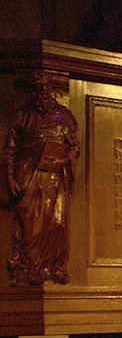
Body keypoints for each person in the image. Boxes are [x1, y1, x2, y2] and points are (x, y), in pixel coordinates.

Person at [2, 70, 80, 284]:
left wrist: (65, 159)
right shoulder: (22, 115)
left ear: (50, 90)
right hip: (29, 178)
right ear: (32, 93)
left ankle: (55, 268)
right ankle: (31, 269)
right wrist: (10, 178)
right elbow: (9, 150)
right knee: (30, 227)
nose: (43, 93)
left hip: (55, 180)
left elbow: (75, 146)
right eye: (38, 90)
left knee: (58, 225)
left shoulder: (64, 115)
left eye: (45, 89)